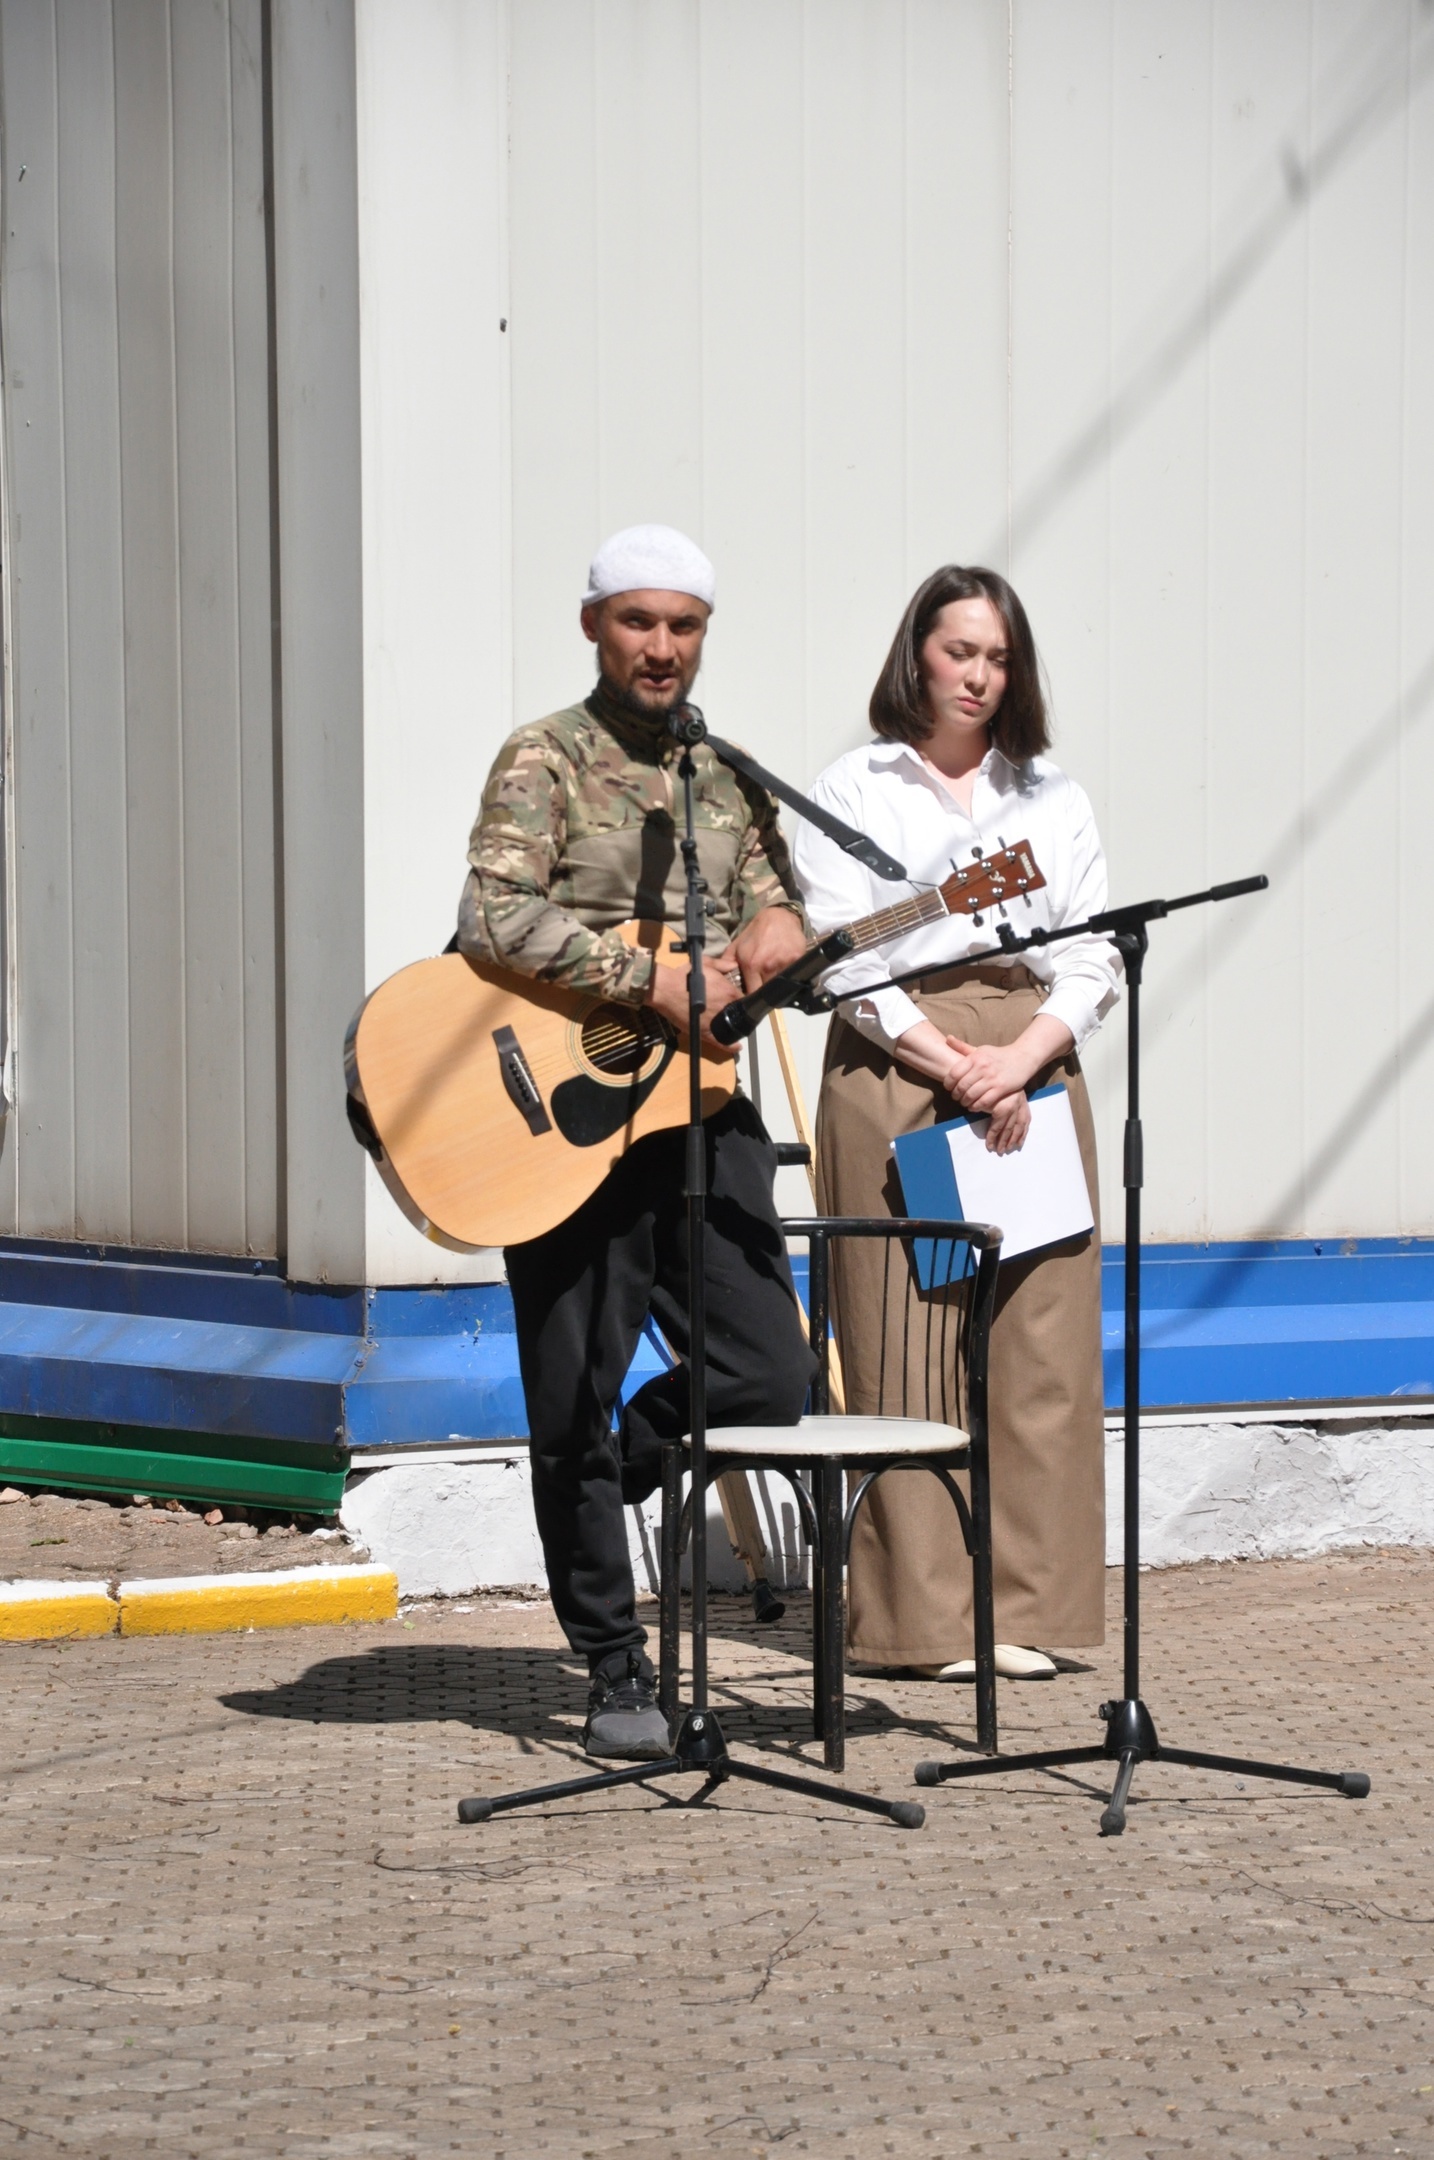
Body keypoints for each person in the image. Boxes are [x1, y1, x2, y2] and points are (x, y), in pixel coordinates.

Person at [457, 524, 816, 1760]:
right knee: (571, 1394)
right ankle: (615, 1664)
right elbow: (490, 913)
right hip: (559, 1114)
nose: (662, 648)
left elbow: (772, 910)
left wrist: (785, 942)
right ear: (595, 626)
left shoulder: (730, 774)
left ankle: (615, 1473)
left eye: (684, 626)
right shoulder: (545, 757)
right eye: (638, 622)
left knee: (771, 1374)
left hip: (699, 1112)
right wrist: (641, 979)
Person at [792, 565, 1120, 1681]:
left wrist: (1023, 1060)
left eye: (998, 656)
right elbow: (848, 958)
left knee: (1041, 1344)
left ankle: (1034, 1610)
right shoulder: (854, 787)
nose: (978, 675)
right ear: (915, 656)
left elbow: (1091, 949)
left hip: (1027, 1056)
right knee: (904, 1342)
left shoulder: (1050, 796)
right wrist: (951, 1065)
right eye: (958, 651)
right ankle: (921, 1625)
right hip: (898, 1059)